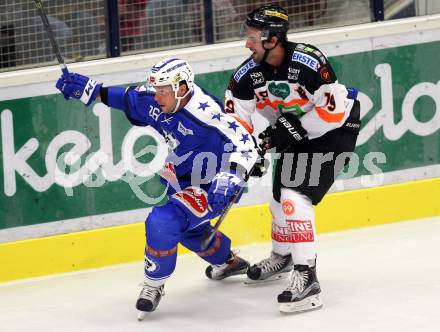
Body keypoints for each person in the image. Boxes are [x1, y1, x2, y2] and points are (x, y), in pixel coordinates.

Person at [55, 57, 258, 318]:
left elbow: (247, 145)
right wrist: (93, 90)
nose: (156, 95)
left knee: (162, 222)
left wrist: (230, 177)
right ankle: (228, 261)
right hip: (184, 178)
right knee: (190, 233)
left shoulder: (206, 114)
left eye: (163, 90)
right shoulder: (159, 99)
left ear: (182, 88)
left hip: (212, 184)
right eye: (156, 88)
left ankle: (152, 286)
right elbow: (129, 99)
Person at [224, 4, 360, 313]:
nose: (247, 44)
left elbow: (333, 112)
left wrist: (290, 128)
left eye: (253, 38)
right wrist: (243, 158)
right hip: (296, 131)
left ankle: (307, 276)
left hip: (335, 129)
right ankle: (283, 256)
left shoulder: (309, 62)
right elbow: (236, 125)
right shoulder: (247, 76)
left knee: (294, 198)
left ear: (273, 39)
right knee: (277, 199)